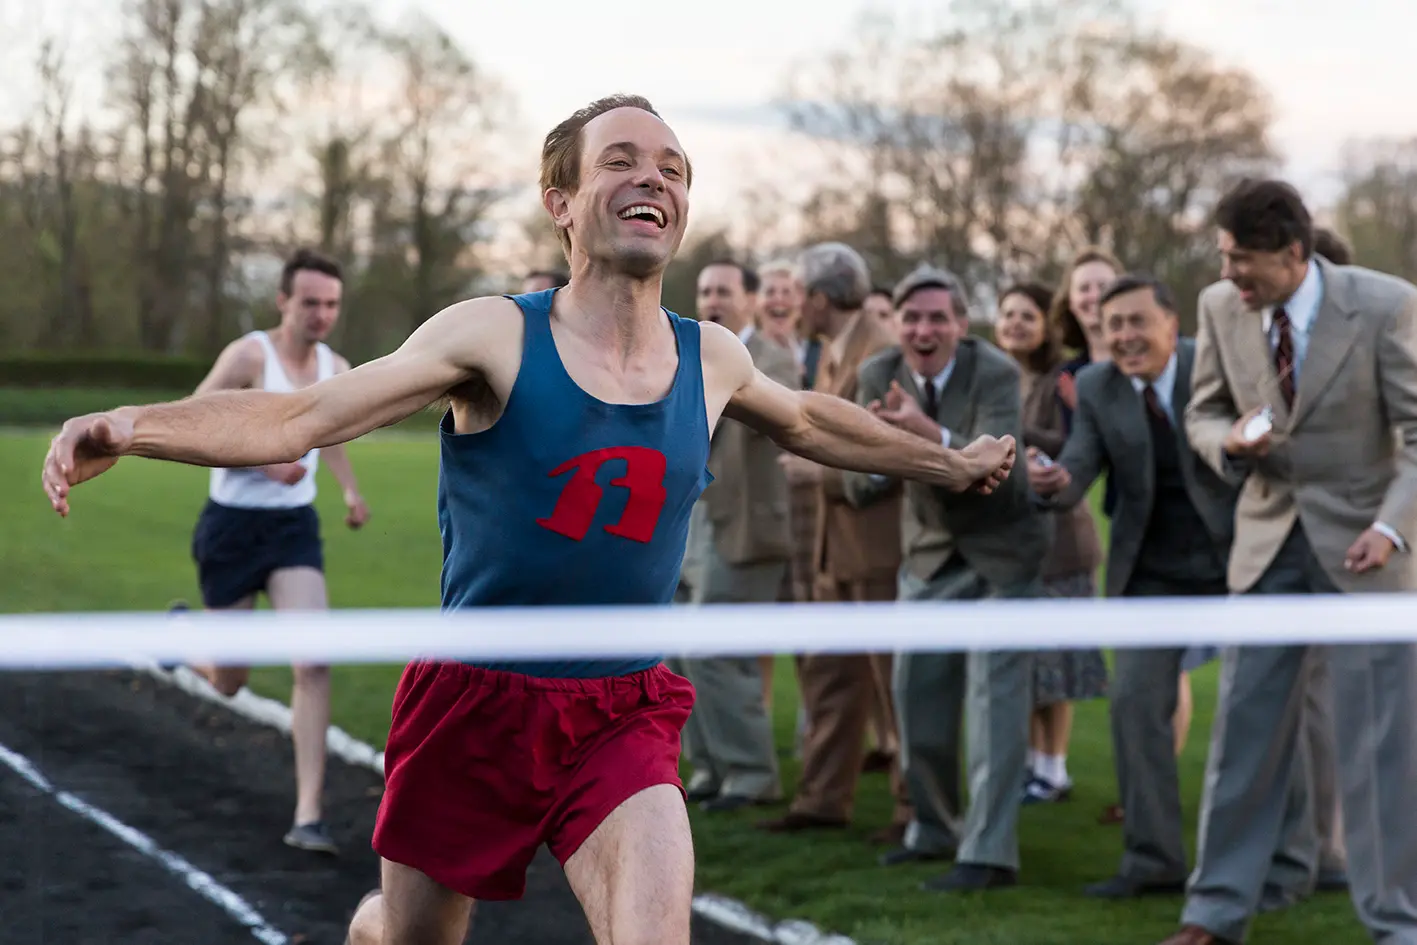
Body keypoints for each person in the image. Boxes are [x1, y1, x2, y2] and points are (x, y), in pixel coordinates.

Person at [41, 93, 1015, 945]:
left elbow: (807, 419)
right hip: (474, 704)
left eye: (672, 167)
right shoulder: (493, 334)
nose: (652, 179)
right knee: (407, 935)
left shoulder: (711, 355)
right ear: (561, 201)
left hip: (623, 706)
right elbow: (299, 415)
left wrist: (947, 461)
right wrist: (133, 424)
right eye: (621, 161)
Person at [1166, 177, 1417, 945]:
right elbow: (1202, 412)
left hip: (1367, 553)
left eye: (1242, 261)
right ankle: (1212, 914)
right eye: (1222, 257)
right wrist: (1228, 441)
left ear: (1293, 254)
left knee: (1379, 749)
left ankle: (1394, 922)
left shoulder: (1383, 304)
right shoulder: (1218, 308)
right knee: (1241, 736)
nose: (1228, 275)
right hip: (1265, 544)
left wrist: (1392, 528)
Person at [177, 247, 370, 855]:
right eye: (310, 302)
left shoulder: (335, 364)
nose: (321, 315)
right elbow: (187, 420)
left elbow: (327, 432)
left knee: (312, 662)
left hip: (292, 529)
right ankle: (184, 639)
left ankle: (308, 814)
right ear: (283, 301)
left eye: (331, 304)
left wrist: (347, 487)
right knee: (229, 681)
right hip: (231, 528)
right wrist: (263, 461)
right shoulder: (248, 355)